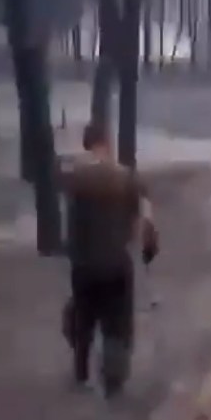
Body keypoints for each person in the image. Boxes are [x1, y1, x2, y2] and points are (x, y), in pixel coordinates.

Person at [58, 121, 159, 397]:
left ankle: (81, 371)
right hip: (116, 264)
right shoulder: (127, 179)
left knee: (84, 315)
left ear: (86, 145)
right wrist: (149, 248)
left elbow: (70, 225)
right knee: (117, 321)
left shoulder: (74, 178)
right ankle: (113, 380)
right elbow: (147, 218)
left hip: (83, 265)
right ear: (106, 143)